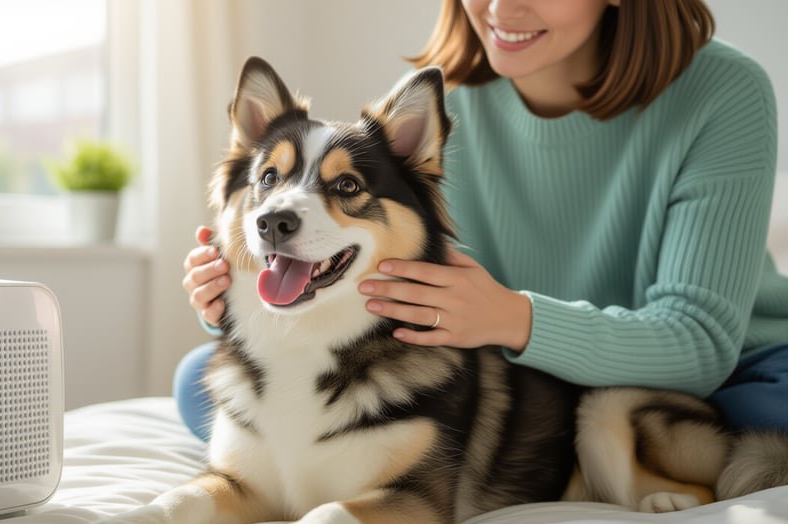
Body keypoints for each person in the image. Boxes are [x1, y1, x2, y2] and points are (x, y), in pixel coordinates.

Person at [177, 0, 788, 442]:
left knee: (767, 419)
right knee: (200, 385)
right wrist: (239, 296)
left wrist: (512, 317)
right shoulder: (431, 107)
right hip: (532, 378)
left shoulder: (724, 91)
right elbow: (368, 282)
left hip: (728, 371)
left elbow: (698, 343)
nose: (500, 8)